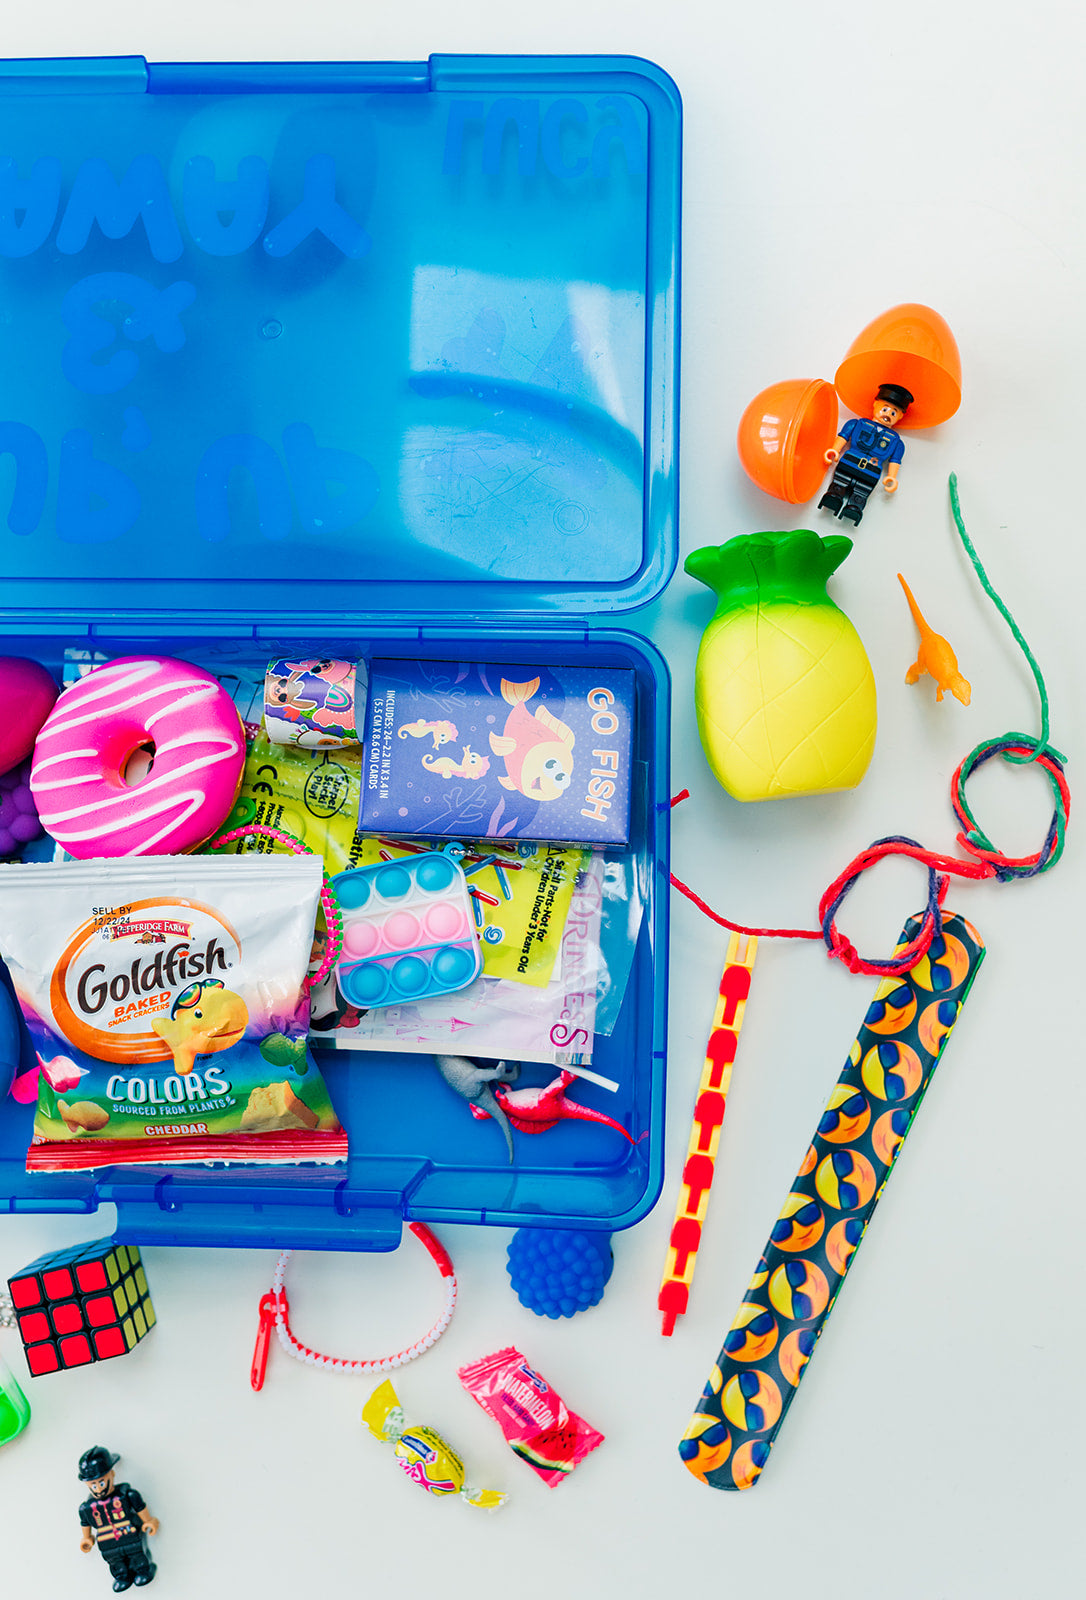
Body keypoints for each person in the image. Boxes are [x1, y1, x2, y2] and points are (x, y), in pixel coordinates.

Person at [818, 383, 914, 525]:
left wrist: (891, 477)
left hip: (871, 473)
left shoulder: (896, 442)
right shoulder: (857, 424)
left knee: (861, 493)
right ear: (875, 405)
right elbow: (844, 436)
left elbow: (895, 460)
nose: (888, 414)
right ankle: (833, 498)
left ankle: (854, 508)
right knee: (839, 484)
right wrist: (834, 449)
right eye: (885, 408)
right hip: (848, 463)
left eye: (893, 413)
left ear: (900, 416)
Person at [77, 1447, 159, 1592]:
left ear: (112, 1474)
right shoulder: (86, 1508)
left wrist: (148, 1521)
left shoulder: (126, 1495)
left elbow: (139, 1507)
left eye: (101, 1483)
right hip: (107, 1542)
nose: (98, 1489)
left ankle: (142, 1570)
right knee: (115, 1561)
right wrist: (87, 1538)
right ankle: (122, 1576)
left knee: (136, 1554)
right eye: (93, 1485)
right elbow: (85, 1523)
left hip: (129, 1535)